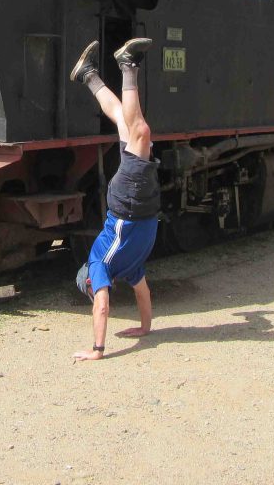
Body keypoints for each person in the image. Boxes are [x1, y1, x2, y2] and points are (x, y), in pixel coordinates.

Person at [70, 36, 159, 361]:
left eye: (95, 288)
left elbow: (103, 306)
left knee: (141, 131)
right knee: (124, 119)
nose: (100, 291)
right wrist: (145, 328)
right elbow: (143, 294)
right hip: (138, 205)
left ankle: (127, 64)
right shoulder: (130, 269)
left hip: (130, 203)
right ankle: (88, 75)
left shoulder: (98, 263)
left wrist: (98, 350)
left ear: (90, 282)